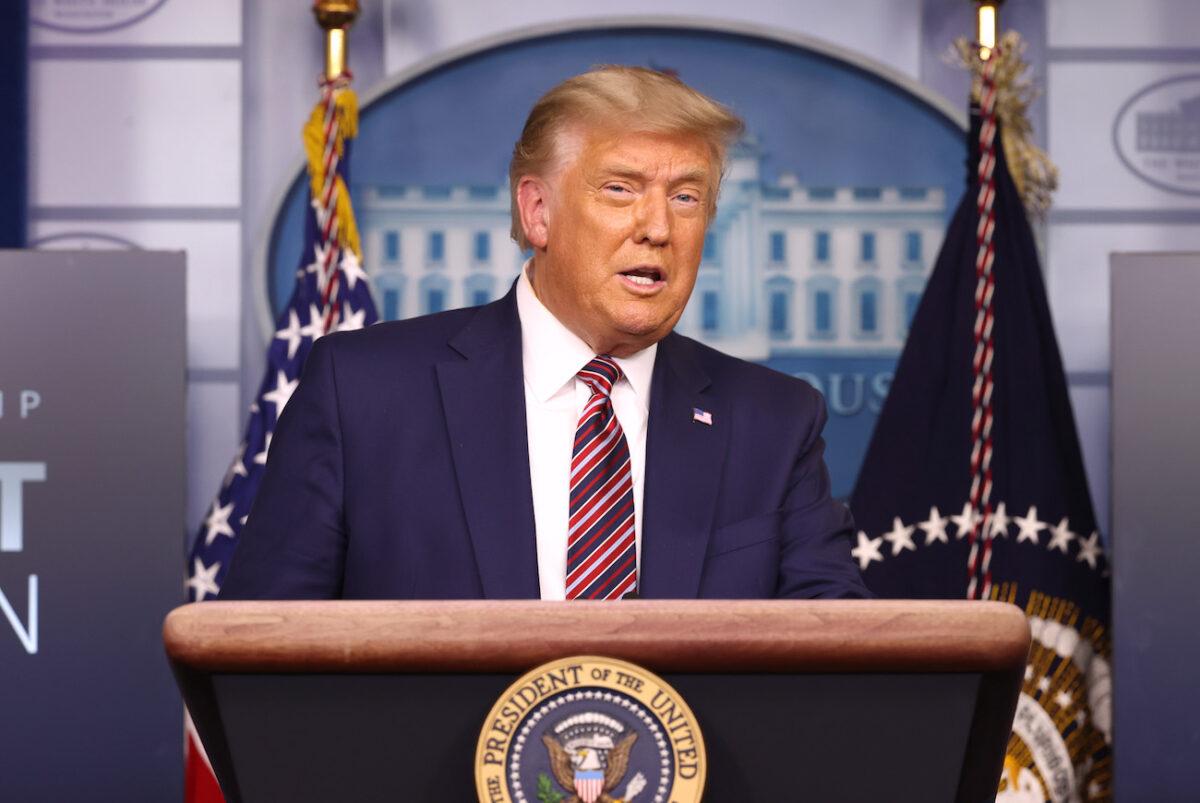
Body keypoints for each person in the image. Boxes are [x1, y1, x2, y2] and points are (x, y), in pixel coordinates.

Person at [220, 66, 870, 601]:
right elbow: (263, 651)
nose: (658, 228)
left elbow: (842, 663)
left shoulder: (774, 420)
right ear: (538, 211)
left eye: (686, 198)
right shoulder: (362, 390)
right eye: (621, 189)